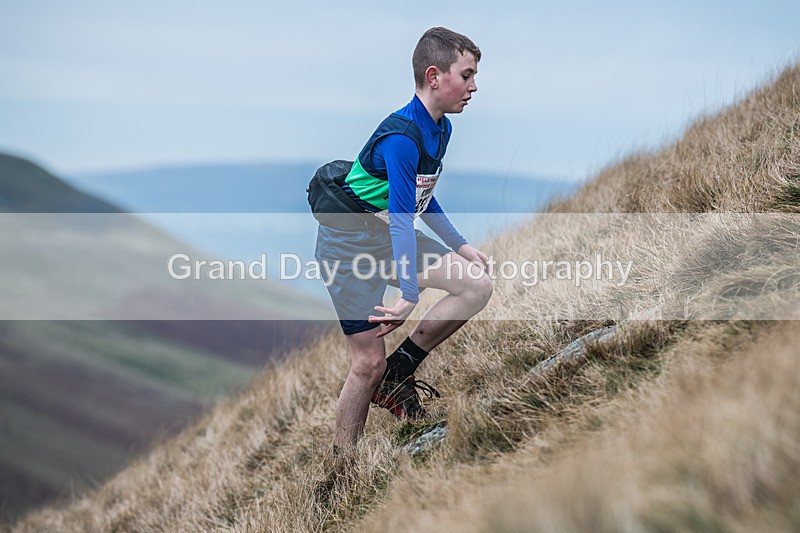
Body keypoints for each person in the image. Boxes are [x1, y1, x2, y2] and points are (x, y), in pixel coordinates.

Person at [312, 27, 493, 448]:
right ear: (434, 76)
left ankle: (400, 372)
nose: (473, 86)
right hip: (347, 249)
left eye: (473, 76)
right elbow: (400, 219)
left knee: (476, 285)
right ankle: (341, 469)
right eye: (465, 75)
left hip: (385, 238)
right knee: (366, 365)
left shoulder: (441, 129)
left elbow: (420, 198)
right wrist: (409, 294)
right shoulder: (400, 139)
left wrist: (461, 246)